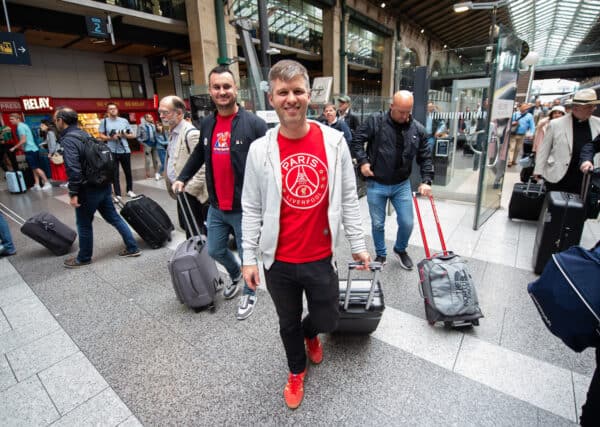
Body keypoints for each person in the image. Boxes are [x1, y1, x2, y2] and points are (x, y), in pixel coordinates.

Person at [241, 59, 370, 410]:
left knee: (328, 317)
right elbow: (251, 207)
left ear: (309, 95)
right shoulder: (260, 150)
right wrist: (248, 258)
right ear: (272, 97)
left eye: (298, 91)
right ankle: (295, 370)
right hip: (278, 260)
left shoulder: (333, 142)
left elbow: (348, 197)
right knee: (286, 323)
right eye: (283, 92)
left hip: (319, 255)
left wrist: (358, 245)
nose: (291, 99)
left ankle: (310, 332)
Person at [172, 65, 268, 320]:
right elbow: (198, 156)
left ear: (236, 89)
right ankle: (236, 275)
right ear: (211, 91)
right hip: (216, 205)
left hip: (244, 208)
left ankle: (249, 290)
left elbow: (269, 163)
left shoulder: (255, 125)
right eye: (217, 87)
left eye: (227, 86)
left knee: (249, 254)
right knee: (214, 250)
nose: (222, 91)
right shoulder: (207, 123)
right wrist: (182, 178)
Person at [351, 90, 434, 268]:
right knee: (378, 223)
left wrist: (426, 180)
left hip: (401, 184)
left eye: (408, 112)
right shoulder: (376, 120)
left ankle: (400, 249)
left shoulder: (417, 130)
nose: (405, 116)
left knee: (407, 222)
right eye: (400, 111)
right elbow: (357, 140)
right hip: (376, 183)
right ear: (391, 107)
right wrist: (363, 162)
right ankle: (381, 254)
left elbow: (425, 157)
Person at [53, 106, 141, 268]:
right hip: (103, 184)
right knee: (114, 217)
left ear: (61, 121)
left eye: (55, 119)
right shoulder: (84, 134)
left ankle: (84, 258)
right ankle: (132, 247)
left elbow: (74, 169)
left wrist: (73, 193)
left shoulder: (69, 140)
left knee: (84, 223)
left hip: (88, 189)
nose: (54, 122)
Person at [534, 88, 600, 194]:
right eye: (589, 107)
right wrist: (538, 170)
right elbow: (544, 149)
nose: (593, 109)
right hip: (558, 175)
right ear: (576, 108)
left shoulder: (598, 124)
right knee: (555, 207)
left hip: (585, 179)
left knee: (579, 209)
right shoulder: (556, 124)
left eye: (592, 106)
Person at [160, 95, 209, 238]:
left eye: (166, 112)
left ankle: (200, 258)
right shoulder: (173, 133)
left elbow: (203, 167)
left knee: (196, 231)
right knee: (187, 227)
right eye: (160, 113)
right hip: (181, 191)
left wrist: (189, 190)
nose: (162, 116)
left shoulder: (191, 133)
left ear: (179, 113)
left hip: (191, 193)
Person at [98, 103, 137, 201]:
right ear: (107, 111)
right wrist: (110, 138)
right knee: (114, 173)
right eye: (110, 109)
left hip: (125, 150)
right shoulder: (104, 121)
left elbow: (132, 135)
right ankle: (118, 193)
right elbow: (101, 136)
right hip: (112, 150)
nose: (113, 110)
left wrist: (124, 135)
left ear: (117, 110)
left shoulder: (124, 121)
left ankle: (130, 190)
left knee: (128, 171)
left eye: (114, 108)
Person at [8, 113, 52, 190]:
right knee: (33, 168)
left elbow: (23, 140)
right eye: (10, 119)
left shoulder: (20, 127)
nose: (10, 121)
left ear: (18, 119)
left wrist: (14, 147)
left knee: (36, 167)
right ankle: (37, 184)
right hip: (32, 149)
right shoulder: (24, 125)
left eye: (12, 119)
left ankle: (47, 182)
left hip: (30, 150)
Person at [40, 119, 68, 184]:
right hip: (58, 151)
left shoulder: (50, 132)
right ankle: (65, 182)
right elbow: (49, 141)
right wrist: (42, 144)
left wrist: (50, 153)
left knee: (60, 167)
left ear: (47, 126)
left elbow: (52, 144)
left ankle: (66, 182)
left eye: (42, 125)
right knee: (61, 167)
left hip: (56, 152)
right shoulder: (50, 132)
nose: (41, 127)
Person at [137, 113, 161, 181]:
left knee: (155, 160)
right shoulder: (141, 126)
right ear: (146, 118)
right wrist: (143, 143)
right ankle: (147, 173)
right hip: (147, 144)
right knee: (148, 160)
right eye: (149, 117)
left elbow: (158, 133)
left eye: (151, 117)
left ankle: (156, 172)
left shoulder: (153, 125)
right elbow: (138, 136)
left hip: (154, 144)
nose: (151, 118)